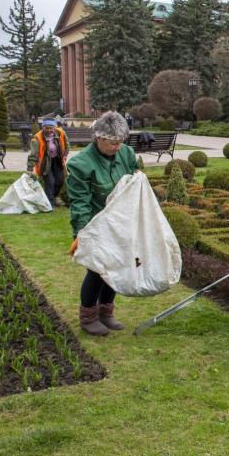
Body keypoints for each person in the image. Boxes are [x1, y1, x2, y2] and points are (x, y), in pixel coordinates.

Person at [66, 111, 139, 336]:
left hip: (121, 223)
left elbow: (135, 183)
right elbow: (80, 202)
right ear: (98, 137)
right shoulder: (81, 163)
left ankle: (106, 312)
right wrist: (82, 233)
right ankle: (88, 316)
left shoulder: (126, 153)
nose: (117, 147)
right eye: (112, 142)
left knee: (116, 266)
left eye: (120, 142)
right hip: (96, 224)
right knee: (97, 270)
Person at [27, 118, 70, 206]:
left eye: (51, 128)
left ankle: (51, 197)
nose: (49, 130)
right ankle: (50, 204)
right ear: (43, 128)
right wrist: (30, 168)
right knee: (50, 182)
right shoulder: (37, 138)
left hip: (57, 160)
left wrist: (65, 155)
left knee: (60, 180)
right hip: (45, 163)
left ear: (55, 127)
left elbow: (67, 145)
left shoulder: (60, 133)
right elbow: (33, 154)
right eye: (47, 128)